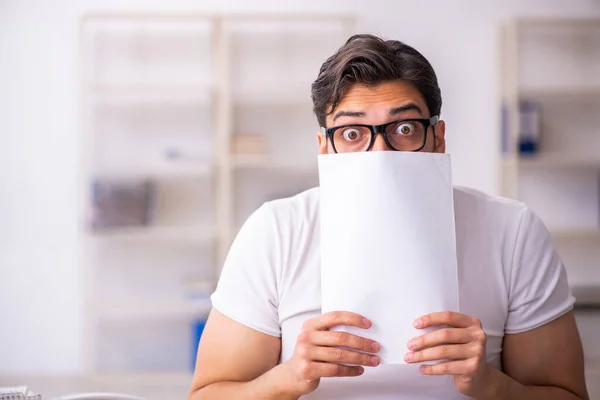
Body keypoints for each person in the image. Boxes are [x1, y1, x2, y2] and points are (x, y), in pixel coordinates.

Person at [187, 34, 589, 399]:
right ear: (324, 149)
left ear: (437, 137)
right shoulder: (277, 231)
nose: (380, 153)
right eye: (351, 133)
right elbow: (205, 394)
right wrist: (290, 375)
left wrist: (489, 385)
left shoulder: (512, 231)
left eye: (405, 127)